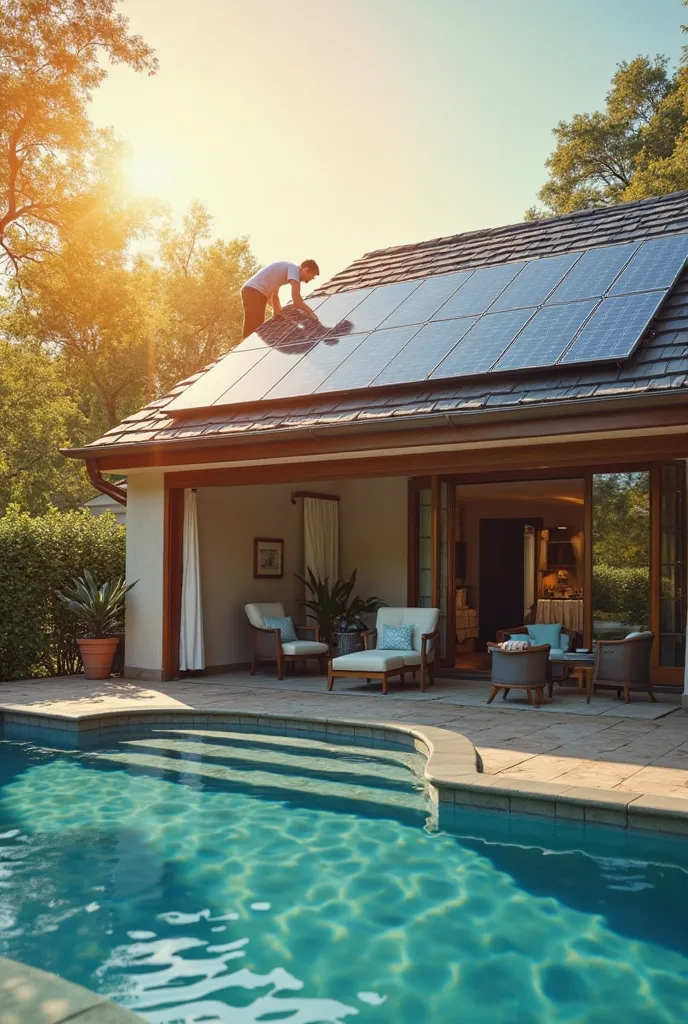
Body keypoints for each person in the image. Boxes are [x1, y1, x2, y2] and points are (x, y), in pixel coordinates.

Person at [240, 259, 320, 339]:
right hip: (254, 291)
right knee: (254, 326)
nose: (311, 279)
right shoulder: (294, 270)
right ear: (306, 270)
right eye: (313, 276)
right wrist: (311, 313)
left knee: (257, 326)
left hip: (254, 292)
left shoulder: (283, 271)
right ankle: (244, 348)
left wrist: (278, 313)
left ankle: (246, 345)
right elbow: (297, 300)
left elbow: (274, 296)